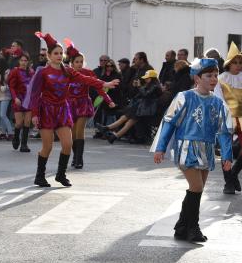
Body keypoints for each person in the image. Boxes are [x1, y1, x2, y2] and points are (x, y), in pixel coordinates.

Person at [152, 58, 233, 242]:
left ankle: (182, 226)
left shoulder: (218, 103)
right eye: (208, 75)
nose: (213, 79)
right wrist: (161, 147)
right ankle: (193, 228)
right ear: (197, 78)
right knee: (196, 187)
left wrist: (227, 155)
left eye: (215, 75)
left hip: (207, 149)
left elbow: (224, 130)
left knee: (198, 189)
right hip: (187, 148)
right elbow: (169, 122)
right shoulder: (184, 97)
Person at [25, 32, 119, 187]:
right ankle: (39, 176)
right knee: (47, 147)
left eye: (61, 53)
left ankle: (60, 175)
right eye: (55, 53)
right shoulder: (43, 72)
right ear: (49, 55)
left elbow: (86, 79)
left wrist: (105, 84)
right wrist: (35, 114)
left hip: (62, 110)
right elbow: (35, 95)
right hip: (46, 110)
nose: (59, 55)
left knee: (67, 144)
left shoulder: (67, 71)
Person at [63, 39, 115, 169]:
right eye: (77, 62)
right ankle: (75, 157)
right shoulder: (67, 73)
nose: (79, 64)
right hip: (70, 105)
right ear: (71, 63)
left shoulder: (88, 73)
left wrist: (108, 100)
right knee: (73, 133)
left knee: (80, 131)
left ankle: (79, 159)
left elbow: (99, 87)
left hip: (83, 103)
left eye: (81, 61)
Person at [101, 70, 162, 144]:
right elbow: (137, 95)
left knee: (126, 120)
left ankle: (108, 129)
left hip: (145, 110)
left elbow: (146, 95)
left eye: (147, 78)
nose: (145, 79)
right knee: (126, 120)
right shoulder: (148, 86)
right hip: (141, 108)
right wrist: (136, 87)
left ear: (152, 78)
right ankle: (112, 133)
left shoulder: (155, 86)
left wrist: (139, 86)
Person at [214, 42, 242, 194]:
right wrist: (228, 115)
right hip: (226, 117)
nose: (238, 65)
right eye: (235, 63)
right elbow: (219, 99)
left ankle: (234, 174)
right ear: (229, 64)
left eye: (240, 62)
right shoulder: (221, 79)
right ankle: (229, 183)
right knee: (226, 149)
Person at [8, 53, 34, 152]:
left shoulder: (31, 72)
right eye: (22, 60)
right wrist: (15, 98)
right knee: (19, 123)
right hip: (18, 98)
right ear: (19, 61)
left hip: (28, 100)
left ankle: (24, 144)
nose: (23, 62)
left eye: (25, 61)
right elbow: (11, 87)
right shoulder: (15, 71)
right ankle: (16, 137)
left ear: (28, 62)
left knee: (27, 122)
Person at [0, 56, 13, 139]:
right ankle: (3, 133)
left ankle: (11, 133)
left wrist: (4, 88)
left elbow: (11, 84)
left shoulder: (7, 72)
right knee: (2, 115)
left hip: (6, 96)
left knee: (3, 115)